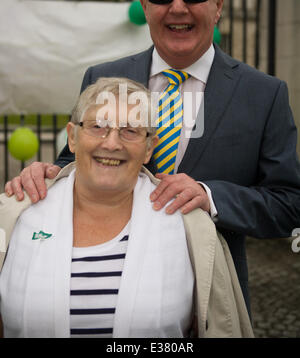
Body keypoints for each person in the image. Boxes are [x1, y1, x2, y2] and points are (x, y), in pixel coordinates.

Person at [4, 0, 300, 312]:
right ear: (145, 5)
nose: (178, 7)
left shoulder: (265, 94)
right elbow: (73, 163)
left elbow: (290, 204)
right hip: (97, 283)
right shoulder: (104, 77)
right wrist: (47, 174)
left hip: (206, 303)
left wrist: (211, 197)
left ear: (218, 3)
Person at [0, 77, 253, 338]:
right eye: (98, 126)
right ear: (73, 137)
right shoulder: (12, 216)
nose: (111, 143)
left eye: (130, 131)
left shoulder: (192, 228)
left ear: (148, 148)